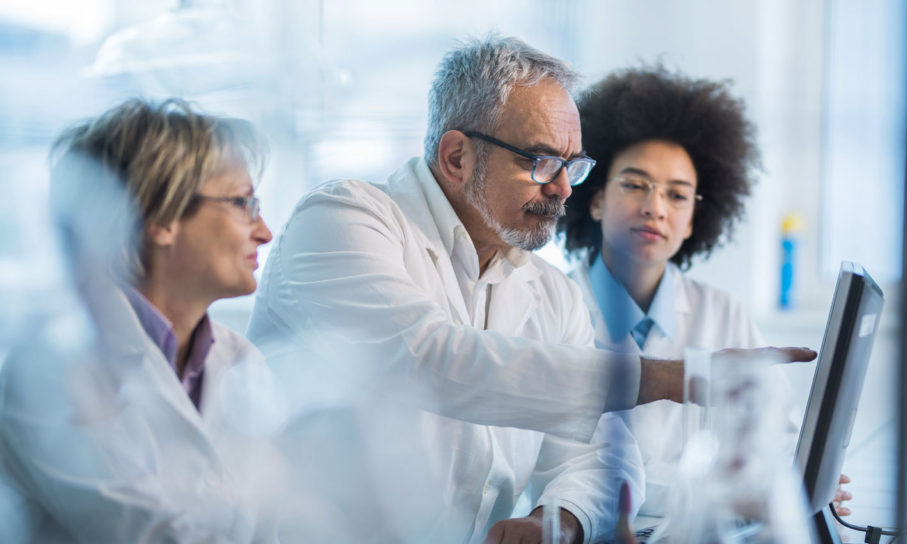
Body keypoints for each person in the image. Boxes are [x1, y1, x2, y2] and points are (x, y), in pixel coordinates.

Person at [246, 36, 815, 543]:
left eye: (574, 165)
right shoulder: (344, 218)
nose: (563, 189)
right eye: (542, 162)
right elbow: (426, 359)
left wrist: (557, 518)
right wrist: (669, 377)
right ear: (456, 157)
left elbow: (602, 454)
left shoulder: (548, 291)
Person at [557, 66, 852, 519]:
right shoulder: (553, 306)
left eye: (677, 196)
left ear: (694, 220)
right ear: (594, 199)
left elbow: (780, 439)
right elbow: (570, 470)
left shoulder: (722, 313)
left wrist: (802, 479)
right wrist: (732, 490)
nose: (655, 207)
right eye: (635, 185)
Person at [0, 99, 281, 542]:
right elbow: (146, 534)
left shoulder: (242, 362)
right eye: (243, 203)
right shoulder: (53, 367)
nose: (264, 231)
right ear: (162, 217)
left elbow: (273, 523)